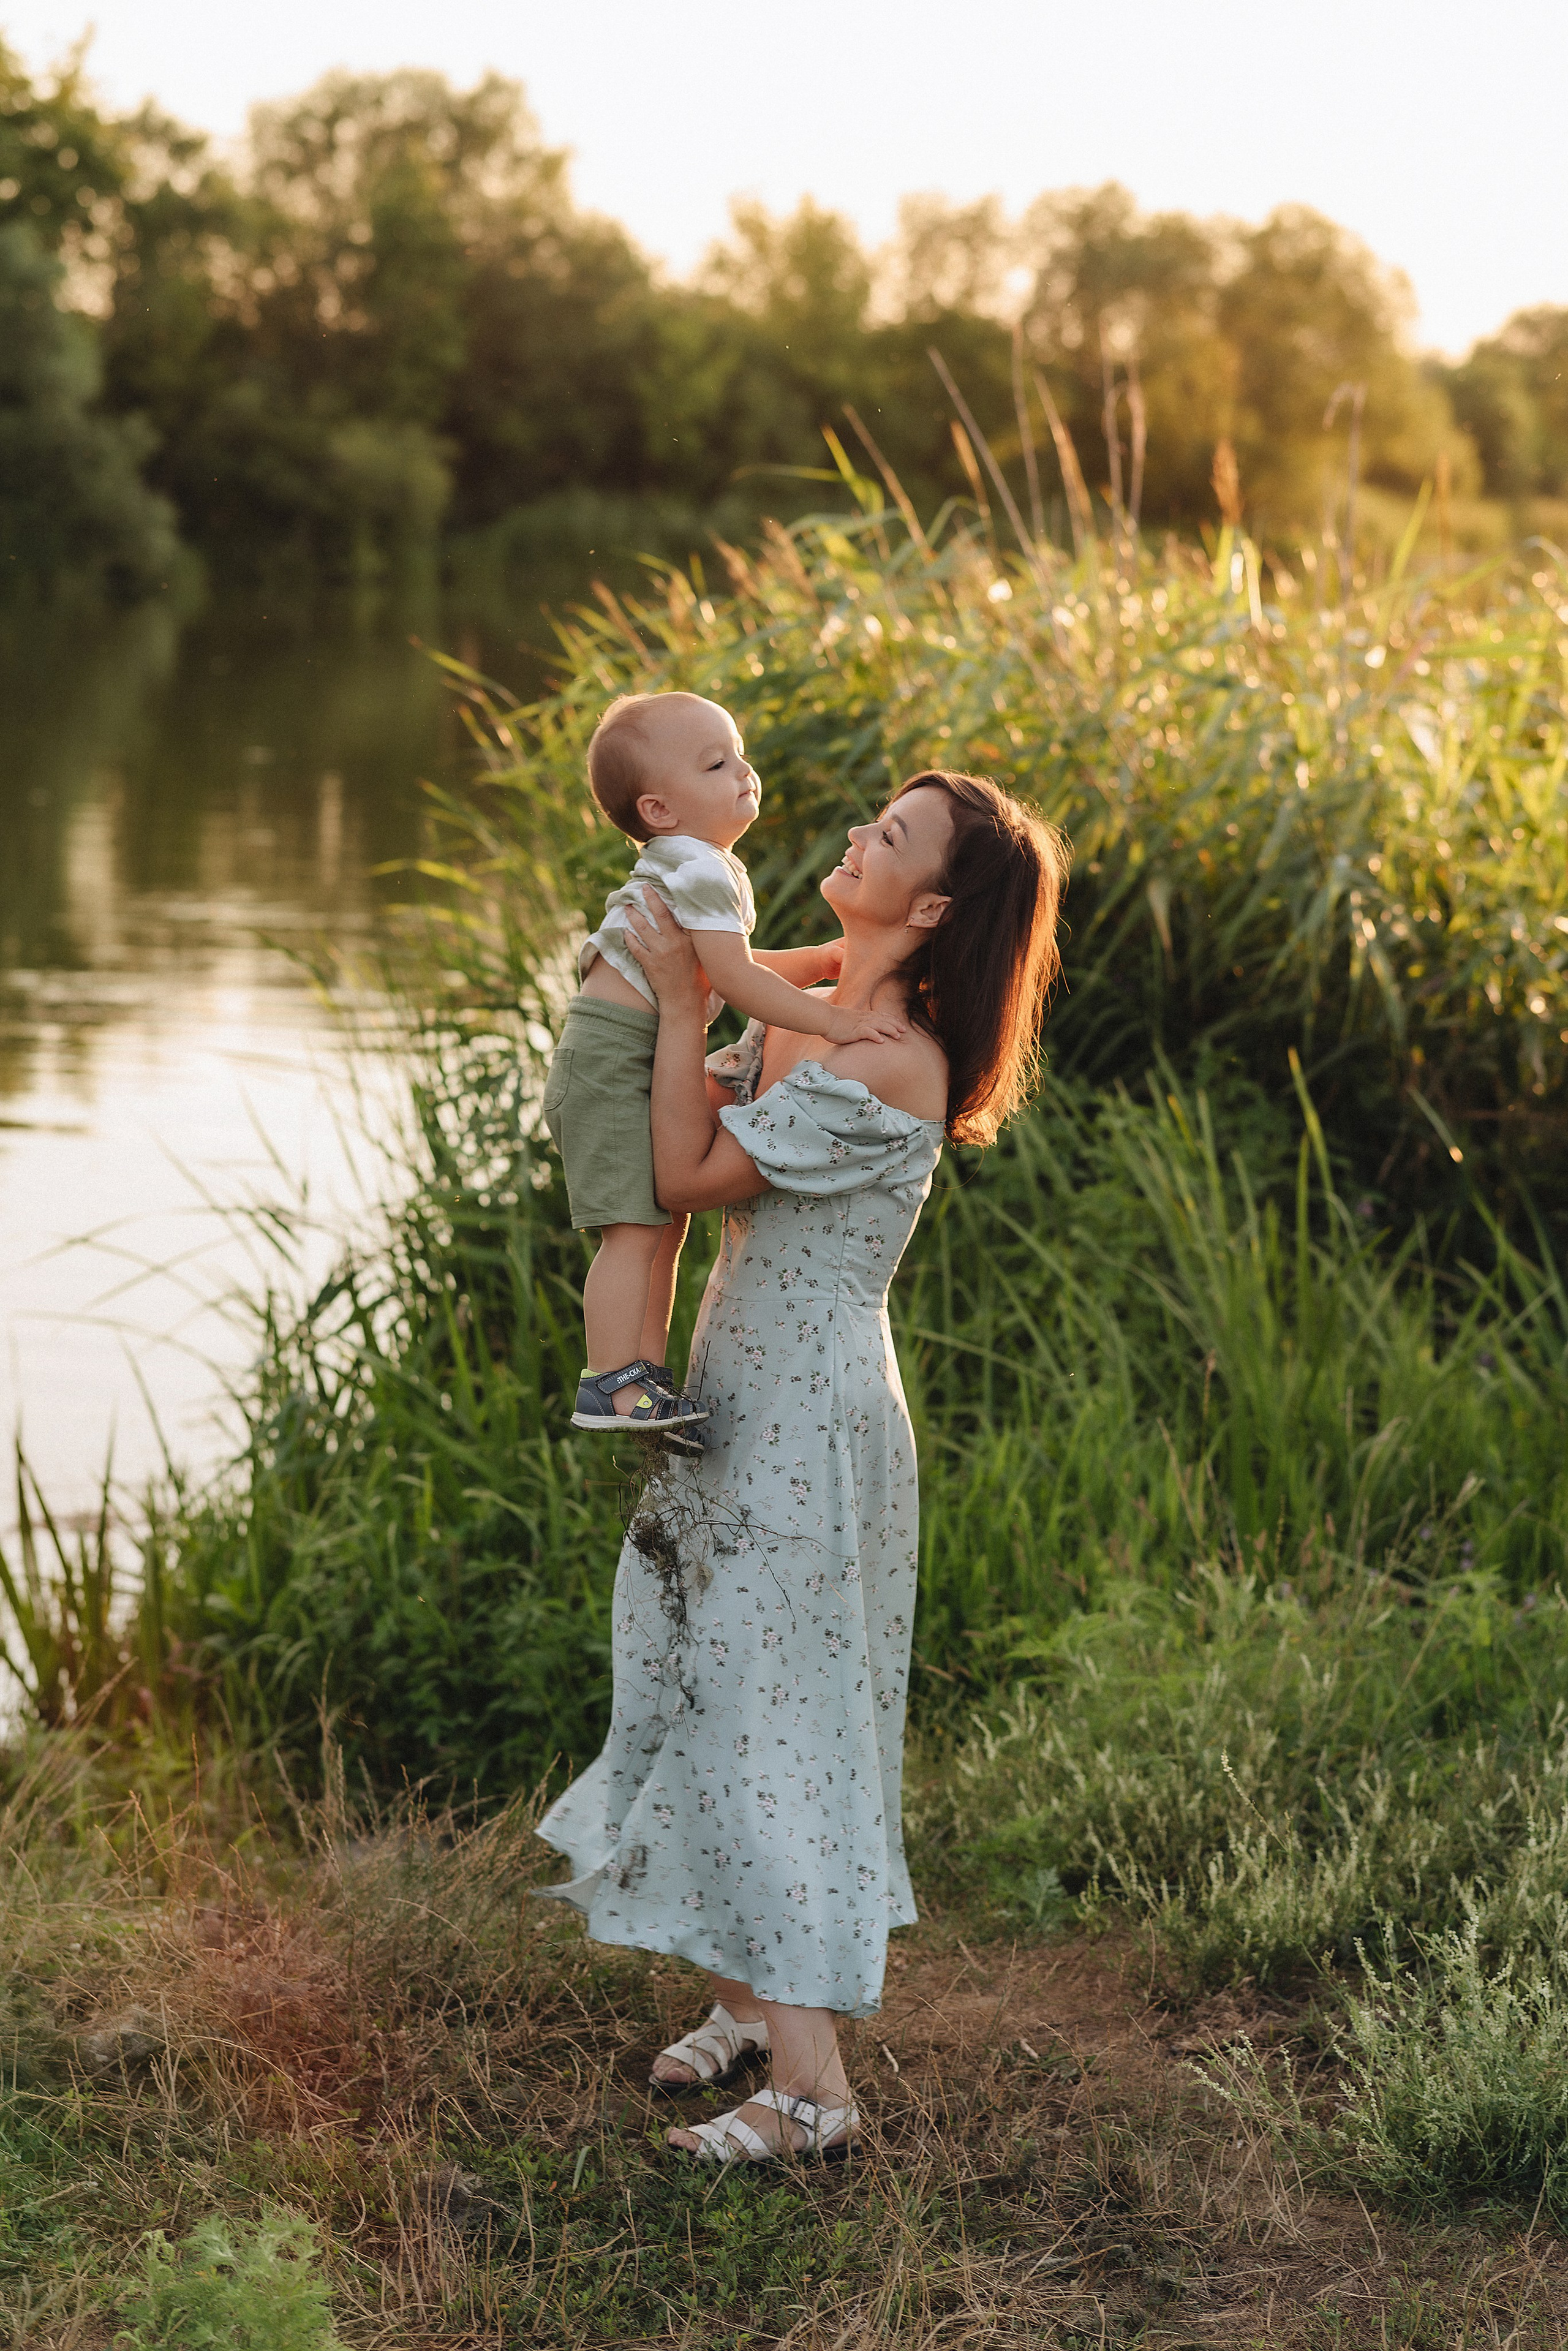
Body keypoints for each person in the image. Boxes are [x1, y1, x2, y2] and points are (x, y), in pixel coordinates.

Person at [534, 770, 1068, 2164]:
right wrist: (674, 982)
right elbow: (698, 1043)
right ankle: (742, 2004)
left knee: (770, 1718)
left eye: (890, 836)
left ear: (933, 906)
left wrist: (686, 1006)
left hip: (808, 1418)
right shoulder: (815, 1003)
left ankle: (813, 2090)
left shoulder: (887, 1058)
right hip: (736, 1384)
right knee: (700, 1678)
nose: (856, 834)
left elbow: (685, 1170)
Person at [542, 690, 904, 1442]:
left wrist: (817, 961)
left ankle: (642, 1378)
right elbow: (735, 982)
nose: (743, 771)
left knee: (661, 1225)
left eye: (740, 754)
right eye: (715, 764)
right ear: (659, 809)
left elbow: (718, 967)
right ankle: (608, 1385)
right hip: (610, 1061)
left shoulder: (695, 864)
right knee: (631, 1233)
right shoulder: (700, 868)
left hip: (621, 1056)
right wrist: (833, 1017)